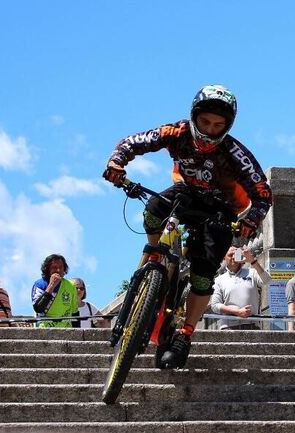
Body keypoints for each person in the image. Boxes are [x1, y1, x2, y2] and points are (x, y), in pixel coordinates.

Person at [103, 84, 272, 368]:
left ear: (227, 126)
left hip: (222, 210)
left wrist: (251, 220)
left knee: (204, 275)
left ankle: (185, 334)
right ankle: (153, 262)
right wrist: (117, 162)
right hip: (187, 194)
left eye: (218, 125)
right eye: (205, 122)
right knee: (155, 207)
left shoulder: (235, 153)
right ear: (194, 116)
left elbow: (263, 193)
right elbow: (133, 141)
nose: (209, 130)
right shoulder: (176, 132)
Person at [209, 246, 270, 330]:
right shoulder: (219, 280)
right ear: (224, 258)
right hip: (228, 327)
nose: (234, 257)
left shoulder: (252, 273)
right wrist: (237, 312)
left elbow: (267, 280)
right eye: (230, 255)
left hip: (252, 325)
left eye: (236, 254)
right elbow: (215, 305)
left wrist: (253, 261)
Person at [31, 254, 78, 328]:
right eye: (54, 268)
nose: (58, 270)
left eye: (61, 267)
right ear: (47, 269)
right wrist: (51, 286)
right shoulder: (39, 284)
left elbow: (74, 312)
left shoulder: (71, 286)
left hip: (66, 330)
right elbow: (38, 308)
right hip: (44, 329)